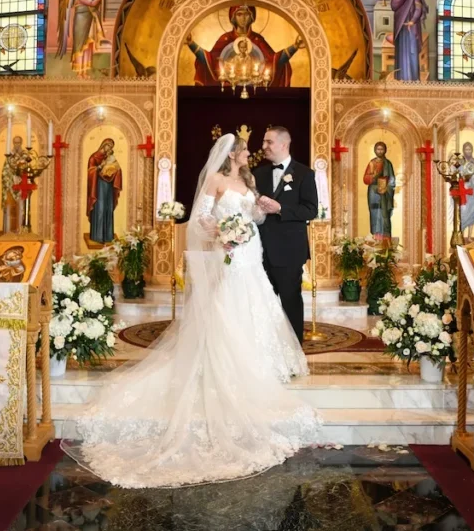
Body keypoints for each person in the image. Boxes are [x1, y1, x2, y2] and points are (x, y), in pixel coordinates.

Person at [64, 134, 319, 488]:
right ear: (231, 154)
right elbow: (201, 218)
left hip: (251, 254)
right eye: (245, 149)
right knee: (227, 309)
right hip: (229, 253)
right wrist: (220, 233)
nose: (250, 153)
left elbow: (257, 219)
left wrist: (257, 213)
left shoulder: (249, 180)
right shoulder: (215, 180)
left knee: (257, 306)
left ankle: (261, 363)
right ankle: (230, 367)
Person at [254, 126, 320, 342]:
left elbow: (311, 210)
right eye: (264, 142)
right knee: (264, 303)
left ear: (284, 144)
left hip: (290, 251)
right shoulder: (258, 174)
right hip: (260, 250)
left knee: (290, 301)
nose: (264, 147)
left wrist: (280, 208)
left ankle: (295, 352)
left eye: (268, 142)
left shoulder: (304, 173)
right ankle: (268, 350)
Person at [185, 5, 304, 88]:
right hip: (227, 89)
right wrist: (191, 43)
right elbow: (209, 61)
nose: (243, 18)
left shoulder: (258, 40)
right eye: (239, 14)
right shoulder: (225, 39)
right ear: (233, 17)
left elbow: (274, 61)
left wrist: (295, 46)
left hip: (255, 89)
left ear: (252, 17)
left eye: (247, 14)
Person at [86, 138, 122, 244]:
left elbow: (116, 168)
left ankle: (108, 236)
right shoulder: (93, 157)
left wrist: (117, 169)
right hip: (98, 187)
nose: (109, 149)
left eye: (111, 147)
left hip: (109, 186)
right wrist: (98, 168)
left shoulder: (110, 157)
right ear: (103, 145)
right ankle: (98, 236)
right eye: (108, 146)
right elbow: (90, 172)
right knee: (100, 208)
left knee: (108, 208)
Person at [362, 141, 395, 239]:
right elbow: (365, 179)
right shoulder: (372, 163)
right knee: (375, 212)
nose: (379, 151)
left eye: (382, 149)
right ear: (375, 150)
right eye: (378, 149)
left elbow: (392, 179)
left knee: (384, 213)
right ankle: (376, 236)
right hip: (373, 190)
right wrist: (374, 176)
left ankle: (385, 237)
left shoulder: (388, 163)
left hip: (385, 192)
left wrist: (386, 188)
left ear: (385, 150)